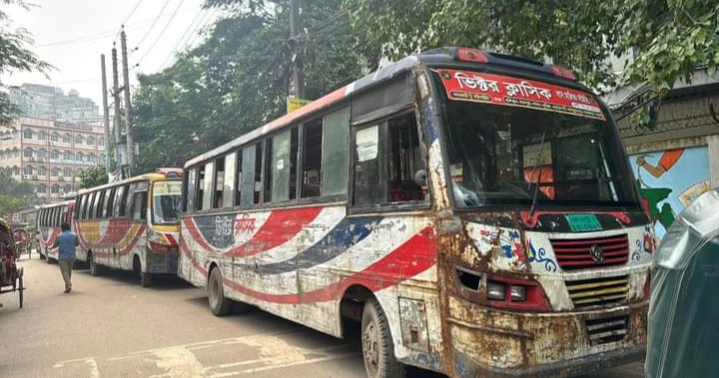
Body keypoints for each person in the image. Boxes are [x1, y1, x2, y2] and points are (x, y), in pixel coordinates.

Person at [52, 223, 78, 293]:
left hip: (62, 257)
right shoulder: (74, 235)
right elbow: (77, 244)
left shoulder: (59, 236)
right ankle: (67, 288)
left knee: (64, 272)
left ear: (62, 228)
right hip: (72, 256)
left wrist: (52, 247)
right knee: (69, 272)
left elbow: (55, 245)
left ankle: (68, 284)